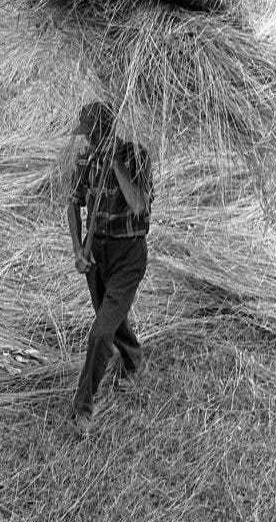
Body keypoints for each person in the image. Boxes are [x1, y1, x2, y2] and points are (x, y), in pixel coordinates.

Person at [67, 101, 153, 435]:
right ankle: (134, 361)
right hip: (96, 253)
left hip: (128, 254)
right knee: (110, 318)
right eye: (86, 134)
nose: (87, 140)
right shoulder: (85, 158)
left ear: (106, 129)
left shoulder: (136, 156)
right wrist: (79, 248)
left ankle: (82, 409)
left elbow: (140, 205)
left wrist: (115, 162)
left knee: (101, 333)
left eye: (92, 133)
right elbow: (74, 203)